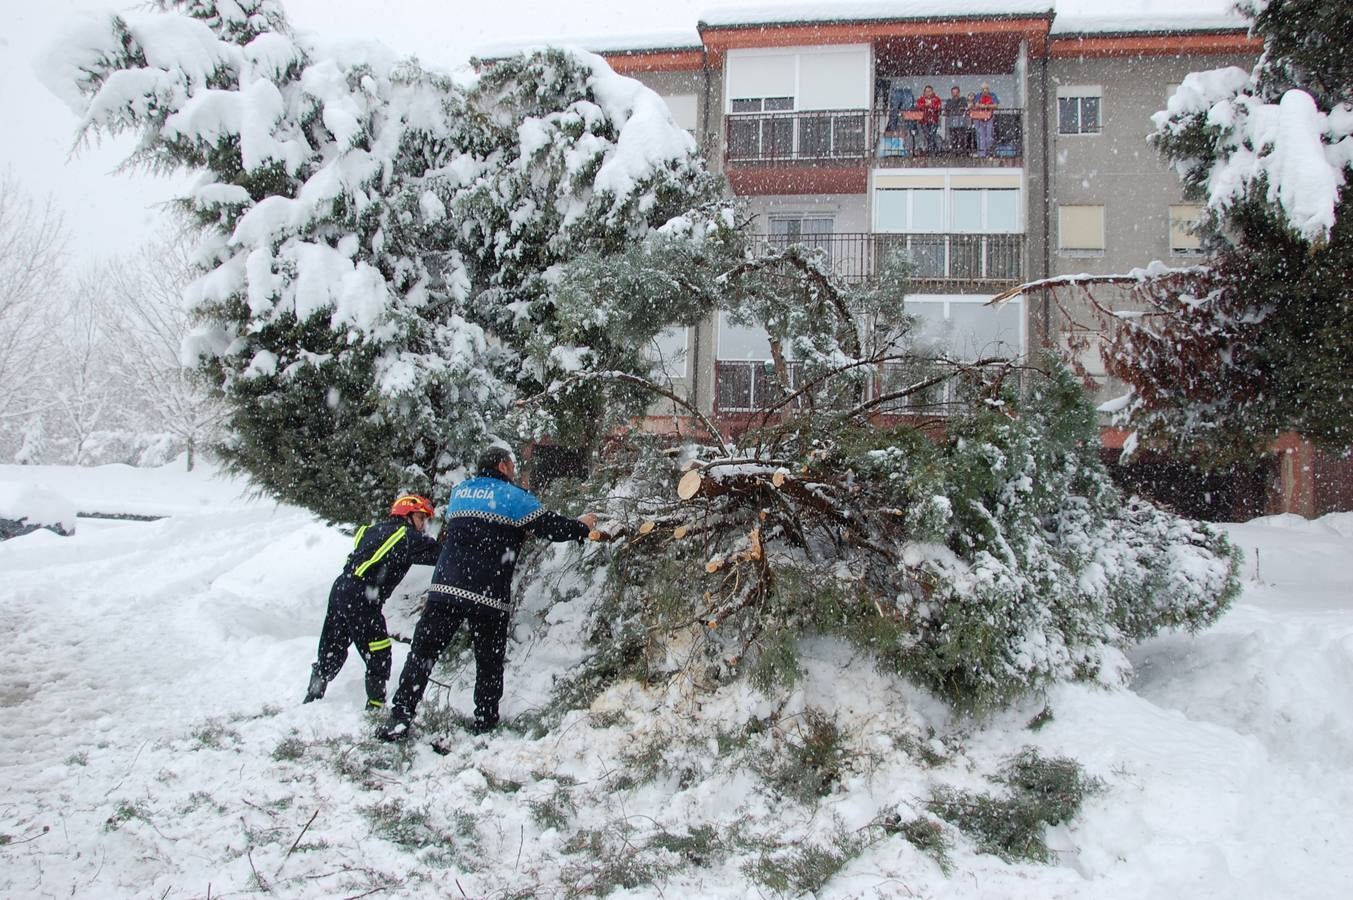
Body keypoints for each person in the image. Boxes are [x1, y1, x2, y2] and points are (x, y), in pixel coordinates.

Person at [379, 447, 598, 742]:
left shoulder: (460, 493)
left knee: (423, 653)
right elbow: (550, 527)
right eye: (512, 464)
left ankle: (401, 716)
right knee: (489, 660)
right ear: (502, 466)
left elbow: (449, 537)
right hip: (488, 593)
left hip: (446, 588)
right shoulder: (512, 497)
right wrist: (580, 527)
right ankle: (484, 719)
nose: (515, 470)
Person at [304, 493, 442, 709]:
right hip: (362, 594)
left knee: (333, 644)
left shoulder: (372, 529)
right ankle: (375, 706)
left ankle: (313, 695)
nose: (423, 524)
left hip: (342, 587)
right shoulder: (405, 536)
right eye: (421, 517)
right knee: (378, 649)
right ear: (407, 514)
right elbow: (440, 555)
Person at [914, 85, 942, 154]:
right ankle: (931, 149)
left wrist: (931, 105)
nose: (928, 93)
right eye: (926, 91)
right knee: (927, 135)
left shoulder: (937, 99)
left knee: (932, 135)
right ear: (924, 92)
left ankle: (931, 149)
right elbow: (918, 108)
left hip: (934, 121)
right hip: (924, 121)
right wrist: (925, 105)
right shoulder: (921, 99)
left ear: (932, 92)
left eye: (929, 91)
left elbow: (938, 108)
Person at [974, 83, 1000, 157]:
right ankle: (982, 153)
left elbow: (996, 105)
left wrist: (986, 106)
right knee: (981, 136)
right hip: (980, 118)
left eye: (986, 89)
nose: (984, 91)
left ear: (988, 89)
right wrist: (981, 106)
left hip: (990, 117)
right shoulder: (978, 95)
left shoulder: (993, 95)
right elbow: (976, 105)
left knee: (989, 135)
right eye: (983, 89)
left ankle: (989, 152)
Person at [943, 85, 970, 153]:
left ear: (959, 93)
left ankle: (962, 151)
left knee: (962, 138)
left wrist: (956, 109)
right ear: (951, 93)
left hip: (961, 123)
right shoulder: (949, 101)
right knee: (953, 138)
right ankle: (954, 151)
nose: (955, 94)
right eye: (953, 93)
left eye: (956, 93)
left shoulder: (963, 99)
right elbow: (947, 109)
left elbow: (963, 107)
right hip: (952, 123)